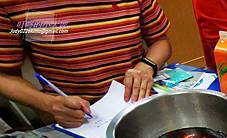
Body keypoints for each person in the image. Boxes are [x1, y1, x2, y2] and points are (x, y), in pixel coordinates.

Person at [0, 0, 172, 128]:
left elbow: (160, 41)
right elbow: (5, 76)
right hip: (76, 119)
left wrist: (147, 64)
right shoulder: (13, 5)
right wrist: (48, 103)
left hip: (139, 105)